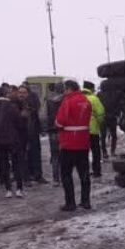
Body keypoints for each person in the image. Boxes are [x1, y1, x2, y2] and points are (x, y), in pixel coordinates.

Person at [56, 80, 93, 211]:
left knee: (66, 174)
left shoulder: (67, 101)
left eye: (65, 89)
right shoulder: (86, 101)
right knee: (84, 174)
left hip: (68, 143)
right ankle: (86, 201)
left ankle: (70, 203)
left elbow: (60, 122)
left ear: (69, 89)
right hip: (83, 141)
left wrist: (59, 126)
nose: (64, 92)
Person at [0, 87, 26, 198]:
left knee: (4, 164)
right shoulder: (12, 107)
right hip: (13, 139)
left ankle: (8, 189)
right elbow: (20, 123)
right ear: (5, 94)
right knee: (16, 163)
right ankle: (19, 188)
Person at [20, 83, 47, 184]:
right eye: (20, 92)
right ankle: (26, 177)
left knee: (35, 154)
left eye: (24, 92)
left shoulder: (32, 101)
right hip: (21, 134)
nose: (22, 94)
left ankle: (37, 175)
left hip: (33, 131)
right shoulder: (16, 104)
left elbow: (38, 114)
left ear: (28, 93)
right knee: (24, 155)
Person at [82, 81, 106, 177]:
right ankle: (96, 171)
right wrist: (99, 123)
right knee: (95, 151)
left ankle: (85, 171)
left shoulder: (80, 98)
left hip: (81, 131)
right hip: (93, 130)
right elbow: (100, 113)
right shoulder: (94, 99)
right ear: (91, 89)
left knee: (83, 152)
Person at [46, 82, 65, 187]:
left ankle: (55, 179)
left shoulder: (49, 101)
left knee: (54, 156)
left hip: (52, 130)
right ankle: (64, 176)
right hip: (63, 130)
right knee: (64, 154)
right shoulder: (65, 100)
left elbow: (47, 116)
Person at [98, 81, 122, 158]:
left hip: (103, 117)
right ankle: (112, 151)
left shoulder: (99, 94)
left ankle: (104, 152)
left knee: (103, 136)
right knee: (114, 135)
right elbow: (118, 105)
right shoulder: (115, 94)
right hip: (112, 117)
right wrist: (117, 114)